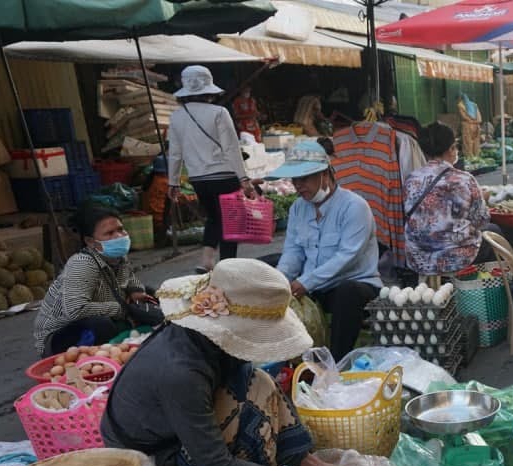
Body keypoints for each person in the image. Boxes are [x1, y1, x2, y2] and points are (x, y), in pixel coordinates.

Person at [101, 258, 361, 466]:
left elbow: (251, 384)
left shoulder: (202, 341)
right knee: (250, 415)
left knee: (258, 381)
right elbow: (216, 464)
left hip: (176, 443)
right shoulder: (182, 372)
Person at [273, 140, 381, 361]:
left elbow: (347, 257)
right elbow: (293, 251)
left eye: (304, 179)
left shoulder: (354, 206)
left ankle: (336, 363)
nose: (298, 185)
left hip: (355, 284)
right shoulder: (297, 208)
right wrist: (278, 280)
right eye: (295, 180)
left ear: (324, 174)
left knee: (347, 293)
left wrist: (306, 282)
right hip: (314, 285)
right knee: (266, 269)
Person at [33, 205, 157, 357]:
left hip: (105, 310)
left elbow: (129, 278)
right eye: (109, 233)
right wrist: (123, 308)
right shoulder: (82, 264)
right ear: (91, 241)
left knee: (150, 294)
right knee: (102, 325)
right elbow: (75, 310)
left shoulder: (118, 256)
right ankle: (91, 358)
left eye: (120, 229)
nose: (119, 236)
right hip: (61, 335)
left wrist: (136, 291)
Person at [167, 66, 255, 274]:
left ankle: (207, 260)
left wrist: (173, 181)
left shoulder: (176, 117)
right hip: (224, 175)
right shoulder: (219, 112)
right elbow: (232, 148)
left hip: (198, 179)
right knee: (230, 220)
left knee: (214, 217)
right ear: (208, 88)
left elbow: (175, 152)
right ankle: (227, 265)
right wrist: (243, 178)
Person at [403, 123, 494, 275]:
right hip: (455, 259)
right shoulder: (464, 179)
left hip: (417, 258)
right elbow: (482, 220)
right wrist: (482, 199)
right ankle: (481, 290)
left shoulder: (411, 179)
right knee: (493, 233)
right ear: (451, 149)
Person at [457, 93, 483, 160]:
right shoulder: (474, 105)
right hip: (476, 126)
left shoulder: (460, 105)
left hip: (468, 126)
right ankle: (476, 157)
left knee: (468, 143)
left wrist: (471, 121)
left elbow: (464, 117)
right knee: (476, 142)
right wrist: (476, 122)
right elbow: (479, 118)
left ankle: (470, 158)